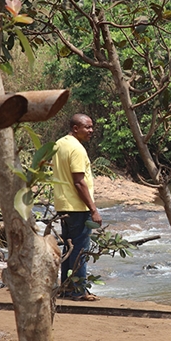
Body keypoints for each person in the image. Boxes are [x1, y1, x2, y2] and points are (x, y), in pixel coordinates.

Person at [52, 114, 102, 301]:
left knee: (69, 248)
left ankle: (66, 287)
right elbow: (79, 182)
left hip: (63, 204)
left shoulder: (59, 144)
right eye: (87, 127)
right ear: (75, 128)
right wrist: (93, 209)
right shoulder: (77, 149)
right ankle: (79, 290)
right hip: (77, 206)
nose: (91, 131)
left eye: (91, 127)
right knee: (80, 249)